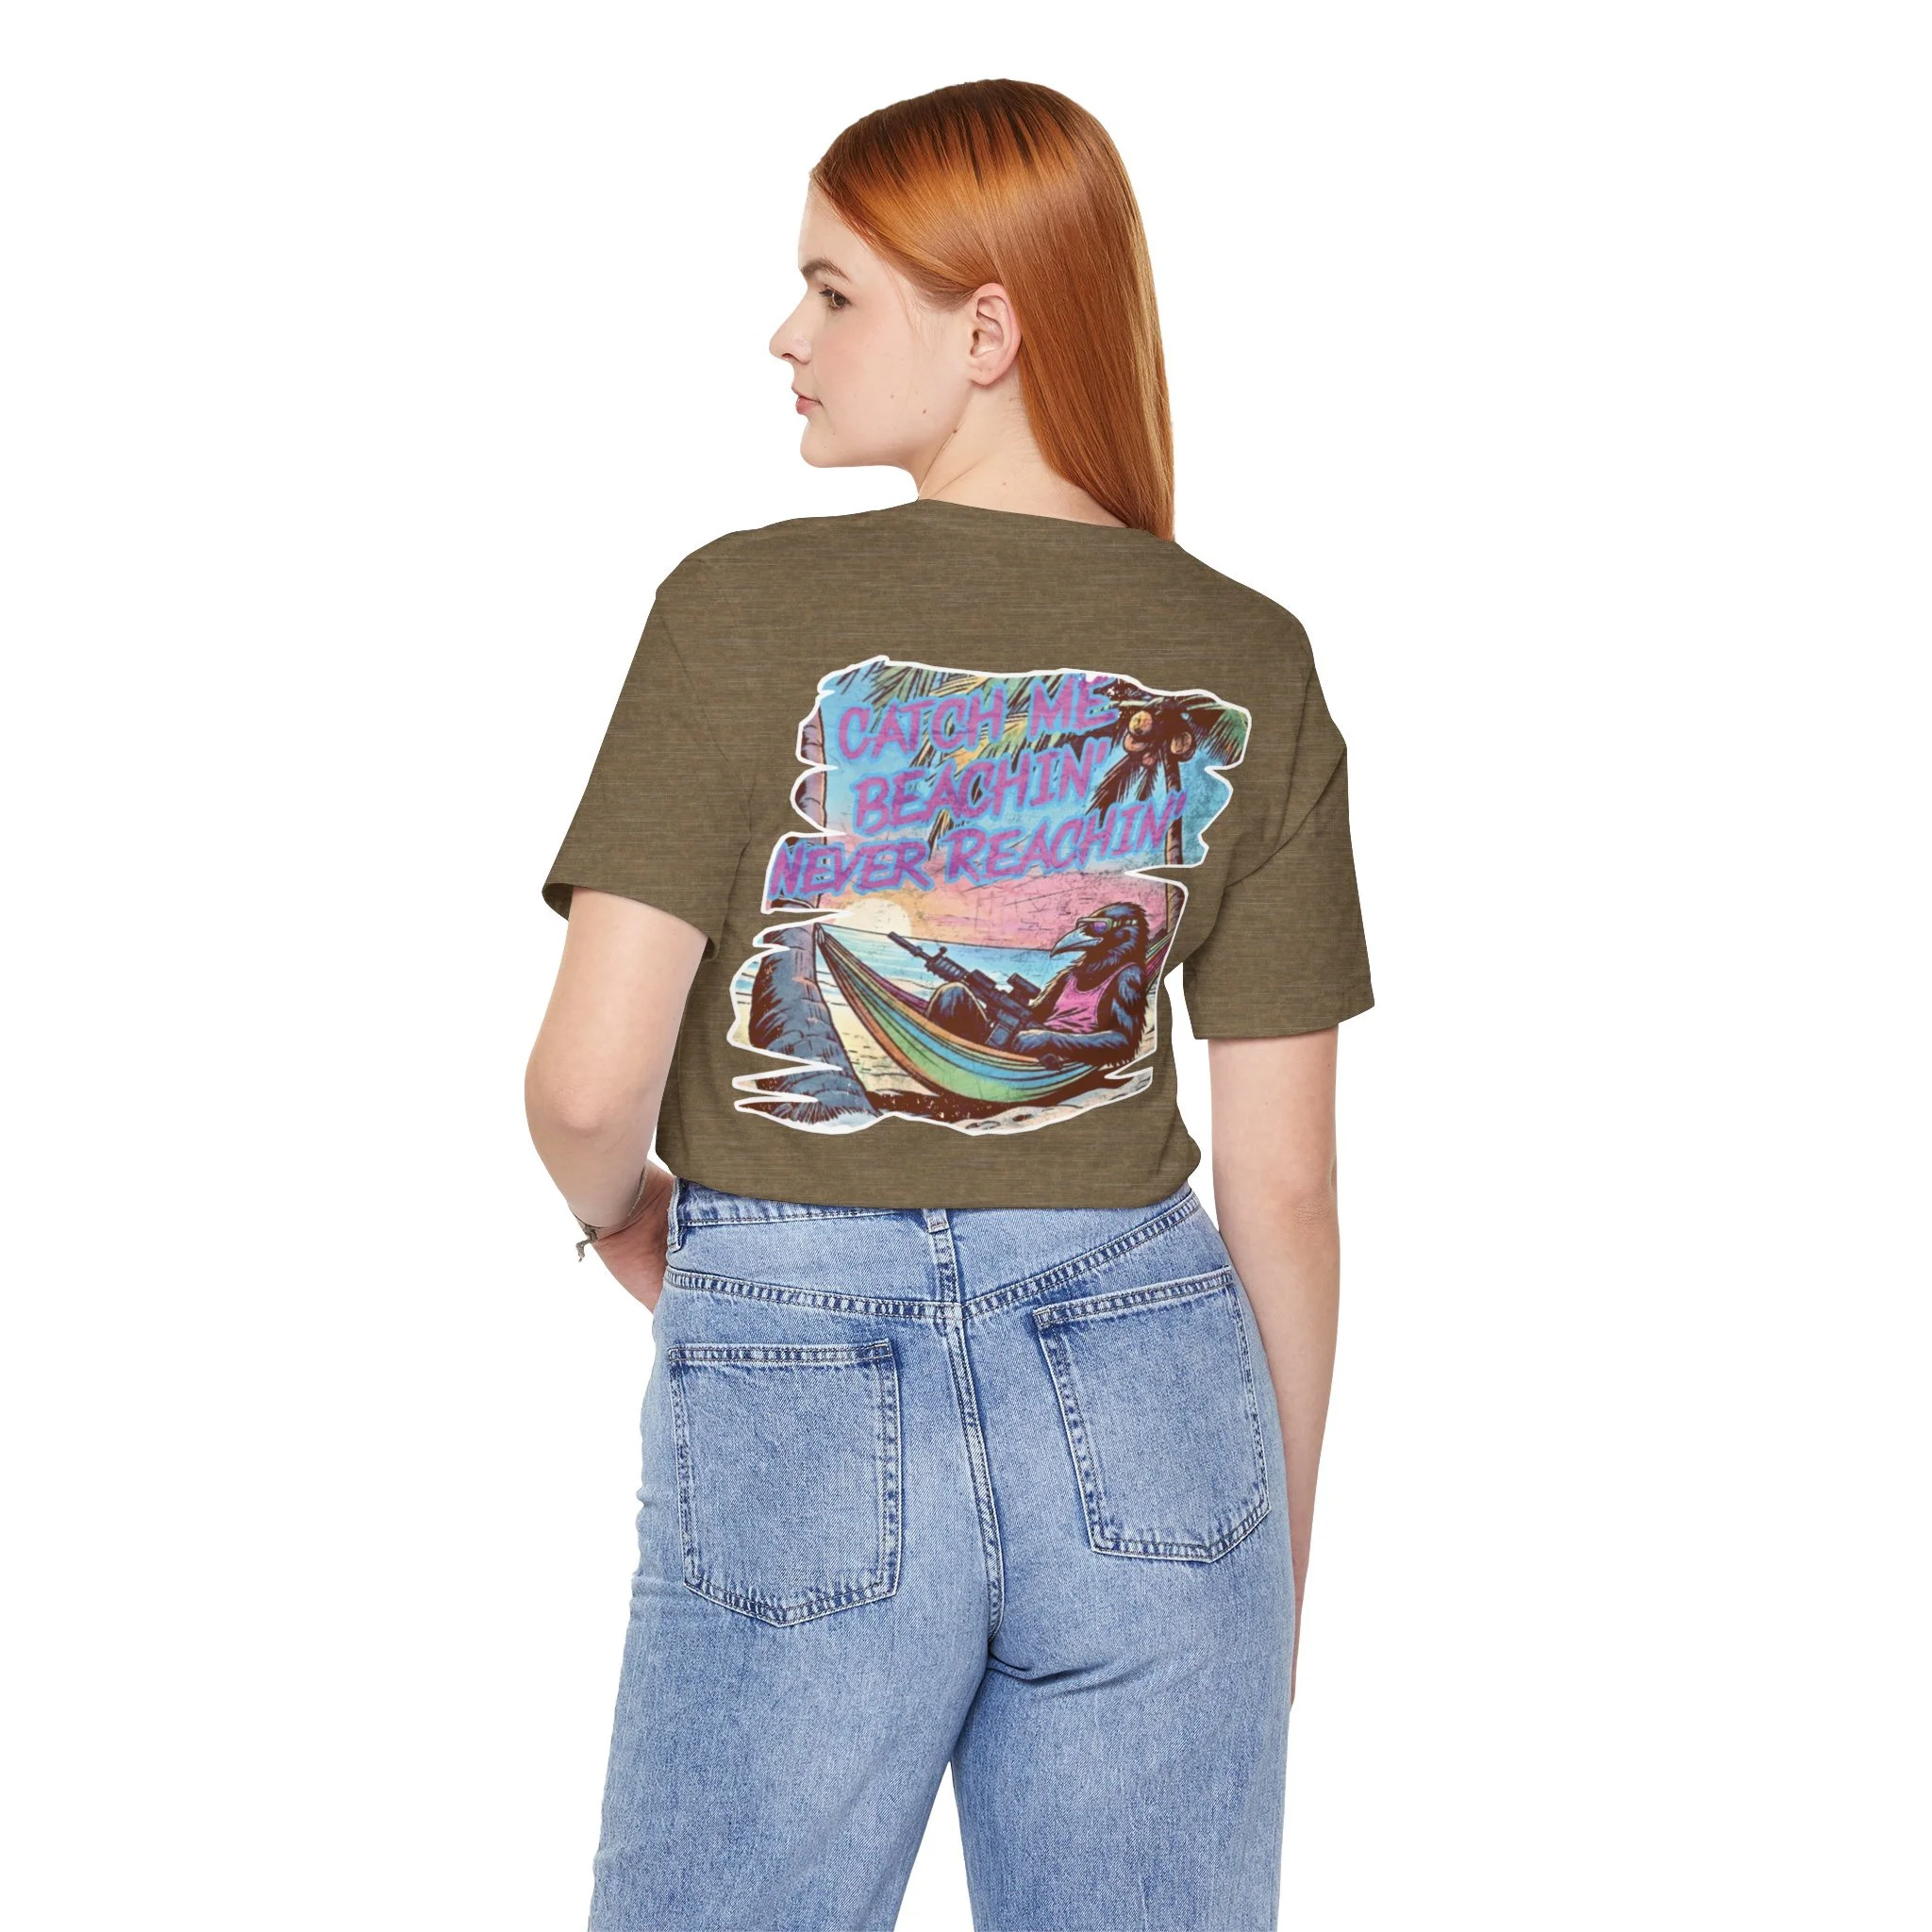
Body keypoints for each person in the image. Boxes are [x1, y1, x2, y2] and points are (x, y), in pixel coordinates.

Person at [525, 77, 1374, 1932]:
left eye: (834, 291)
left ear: (987, 330)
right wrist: (1269, 1567)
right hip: (1156, 1396)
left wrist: (628, 1223)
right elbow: (1288, 1191)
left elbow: (587, 1088)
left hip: (798, 1370)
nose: (787, 335)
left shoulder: (736, 609)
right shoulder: (1251, 653)